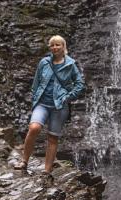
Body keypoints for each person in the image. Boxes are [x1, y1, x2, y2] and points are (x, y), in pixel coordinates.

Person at [14, 35, 85, 177]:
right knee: (34, 127)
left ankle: (47, 170)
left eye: (58, 45)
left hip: (59, 106)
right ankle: (24, 161)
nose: (55, 47)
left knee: (53, 138)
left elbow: (80, 84)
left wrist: (67, 97)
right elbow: (36, 83)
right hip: (42, 103)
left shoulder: (70, 65)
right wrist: (35, 98)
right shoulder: (44, 62)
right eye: (52, 45)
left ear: (63, 46)